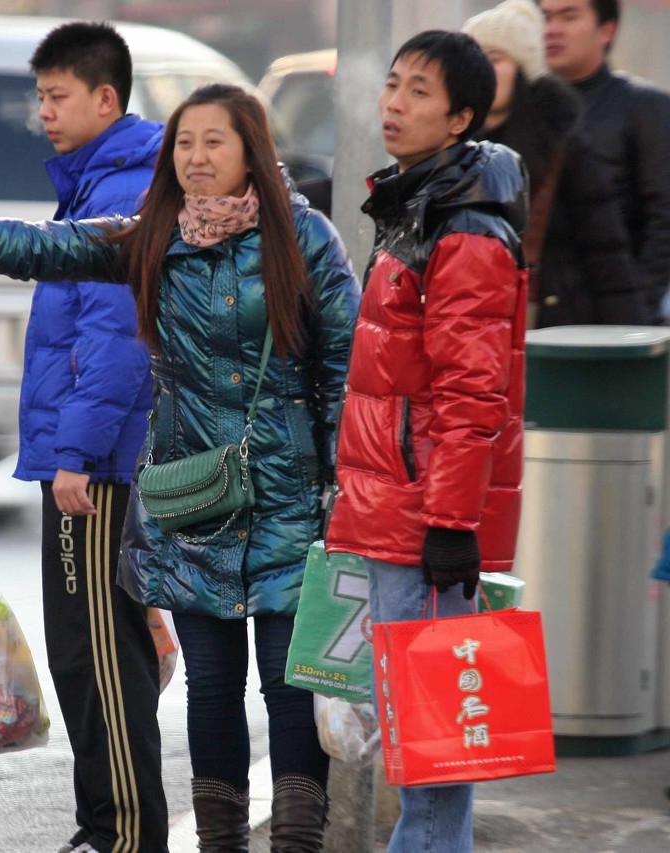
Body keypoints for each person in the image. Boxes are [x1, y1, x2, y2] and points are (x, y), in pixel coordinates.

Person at [0, 82, 360, 853]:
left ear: (252, 150)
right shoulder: (154, 237)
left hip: (290, 499)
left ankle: (296, 844)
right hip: (196, 498)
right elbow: (35, 247)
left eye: (214, 141)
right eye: (185, 143)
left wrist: (344, 484)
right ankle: (221, 844)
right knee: (213, 689)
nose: (196, 157)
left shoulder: (304, 237)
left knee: (287, 686)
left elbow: (346, 367)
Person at [323, 31, 528, 853]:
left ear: (460, 118)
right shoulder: (421, 203)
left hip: (422, 519)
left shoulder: (464, 226)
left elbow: (473, 390)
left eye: (418, 91)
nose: (394, 103)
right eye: (393, 83)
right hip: (396, 506)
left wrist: (449, 522)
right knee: (424, 729)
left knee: (433, 739)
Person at [22, 22, 167, 853]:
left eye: (58, 96)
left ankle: (124, 834)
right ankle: (103, 826)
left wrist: (75, 453)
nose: (44, 111)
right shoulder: (94, 183)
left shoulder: (122, 188)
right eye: (40, 96)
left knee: (100, 653)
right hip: (84, 454)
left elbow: (117, 339)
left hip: (100, 463)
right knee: (84, 650)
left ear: (106, 98)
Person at [464, 0, 647, 326]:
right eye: (473, 61)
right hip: (469, 321)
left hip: (552, 324)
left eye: (495, 59)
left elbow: (606, 253)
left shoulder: (563, 145)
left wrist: (629, 338)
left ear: (523, 69)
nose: (483, 72)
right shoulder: (452, 147)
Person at [540, 0, 670, 321]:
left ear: (606, 30)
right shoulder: (523, 110)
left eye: (568, 16)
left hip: (615, 317)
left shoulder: (645, 108)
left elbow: (664, 217)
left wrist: (636, 312)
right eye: (544, 17)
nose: (551, 29)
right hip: (536, 315)